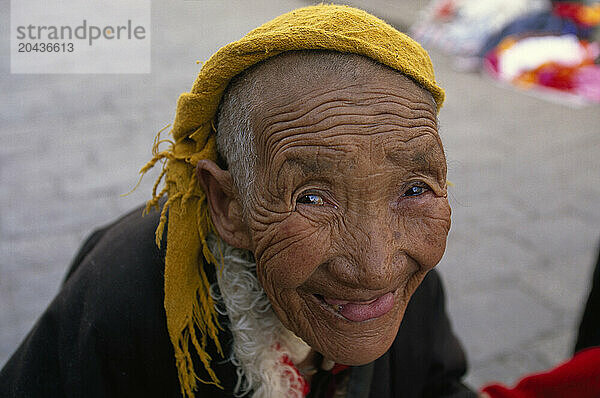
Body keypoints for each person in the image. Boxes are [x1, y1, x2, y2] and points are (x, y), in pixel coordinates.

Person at [0, 5, 476, 398]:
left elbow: (437, 386)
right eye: (311, 198)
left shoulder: (410, 280)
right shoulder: (125, 297)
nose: (376, 268)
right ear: (228, 204)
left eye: (413, 189)